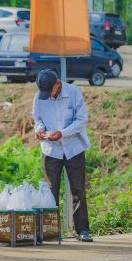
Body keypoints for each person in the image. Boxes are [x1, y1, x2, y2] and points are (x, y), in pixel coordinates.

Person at [32, 69, 93, 242]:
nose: (47, 96)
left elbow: (81, 120)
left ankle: (82, 230)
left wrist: (62, 133)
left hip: (73, 146)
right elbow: (37, 119)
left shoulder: (74, 93)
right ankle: (50, 231)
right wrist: (39, 130)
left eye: (49, 91)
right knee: (51, 191)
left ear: (57, 84)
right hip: (51, 149)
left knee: (78, 189)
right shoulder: (39, 97)